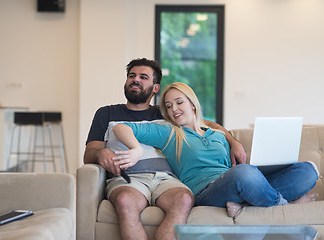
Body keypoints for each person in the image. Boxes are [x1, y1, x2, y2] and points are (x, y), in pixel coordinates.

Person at [84, 58, 247, 240]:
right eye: (132, 76)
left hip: (166, 178)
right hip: (130, 177)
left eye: (143, 77)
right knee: (125, 201)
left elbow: (204, 123)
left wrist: (234, 142)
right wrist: (100, 153)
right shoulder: (106, 113)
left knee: (184, 199)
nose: (135, 79)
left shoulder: (166, 112)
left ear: (155, 88)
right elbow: (89, 153)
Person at [112, 82, 319, 219]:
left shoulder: (218, 134)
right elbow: (121, 127)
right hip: (206, 191)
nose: (174, 109)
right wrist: (136, 148)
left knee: (308, 169)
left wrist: (237, 147)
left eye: (179, 102)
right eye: (168, 106)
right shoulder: (168, 132)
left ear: (192, 104)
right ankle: (285, 204)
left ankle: (245, 204)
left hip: (233, 180)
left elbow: (233, 167)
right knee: (245, 173)